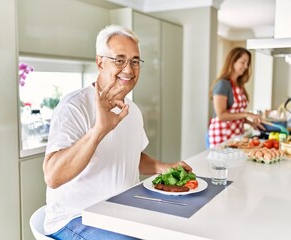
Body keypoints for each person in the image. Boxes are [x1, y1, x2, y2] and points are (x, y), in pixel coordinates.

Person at [42, 25, 192, 240]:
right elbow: (53, 177)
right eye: (119, 60)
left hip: (121, 213)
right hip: (76, 218)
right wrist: (99, 130)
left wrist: (163, 167)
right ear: (100, 62)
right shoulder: (74, 106)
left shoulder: (133, 110)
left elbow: (130, 155)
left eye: (134, 61)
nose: (129, 70)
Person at [207, 47, 264, 148]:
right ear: (233, 61)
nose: (246, 66)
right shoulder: (223, 84)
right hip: (222, 135)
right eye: (243, 62)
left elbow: (235, 115)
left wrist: (251, 123)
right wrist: (247, 114)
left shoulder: (239, 85)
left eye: (247, 63)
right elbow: (222, 115)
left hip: (236, 135)